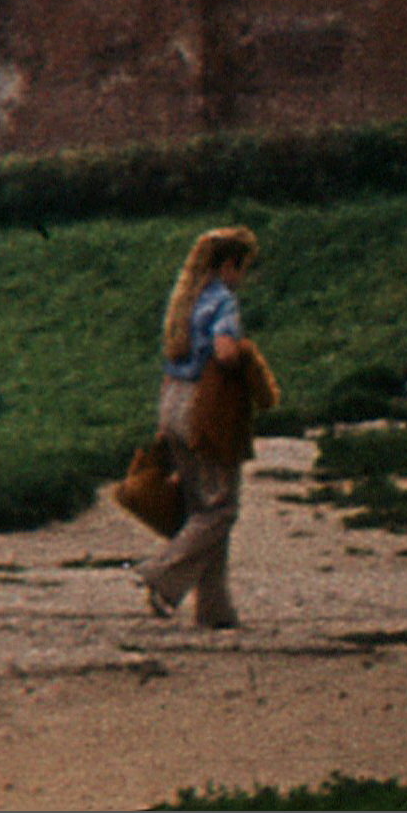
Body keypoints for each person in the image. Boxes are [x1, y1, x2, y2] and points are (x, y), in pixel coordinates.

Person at [141, 223, 261, 628]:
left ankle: (214, 608)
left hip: (172, 401)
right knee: (222, 508)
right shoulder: (221, 301)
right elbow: (226, 353)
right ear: (230, 264)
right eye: (243, 267)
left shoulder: (183, 301)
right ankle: (162, 573)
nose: (243, 277)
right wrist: (246, 356)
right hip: (204, 406)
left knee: (200, 506)